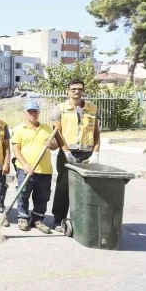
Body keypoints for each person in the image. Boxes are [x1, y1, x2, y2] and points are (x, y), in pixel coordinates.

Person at [51, 79, 101, 232]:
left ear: (83, 90)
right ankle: (58, 219)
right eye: (73, 89)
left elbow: (96, 133)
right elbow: (57, 133)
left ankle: (81, 218)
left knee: (86, 187)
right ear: (68, 91)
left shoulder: (92, 108)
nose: (77, 91)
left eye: (80, 88)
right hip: (67, 152)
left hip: (87, 152)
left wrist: (96, 153)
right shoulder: (60, 109)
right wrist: (66, 152)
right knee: (63, 185)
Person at [10, 102, 59, 233]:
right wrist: (25, 165)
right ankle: (23, 217)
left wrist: (52, 144)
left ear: (39, 112)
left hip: (45, 170)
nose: (33, 113)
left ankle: (38, 219)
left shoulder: (47, 128)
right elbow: (16, 149)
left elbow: (55, 147)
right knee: (23, 194)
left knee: (42, 197)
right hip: (25, 169)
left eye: (35, 111)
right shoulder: (19, 129)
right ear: (24, 113)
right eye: (30, 111)